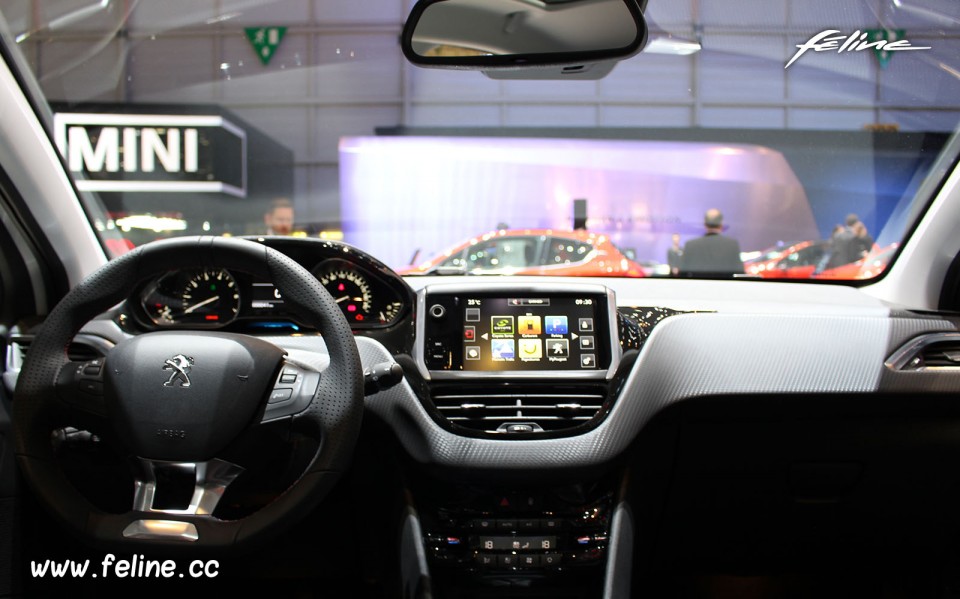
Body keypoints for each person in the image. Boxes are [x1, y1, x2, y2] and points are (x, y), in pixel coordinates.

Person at [679, 209, 744, 275]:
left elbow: (681, 275)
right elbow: (740, 274)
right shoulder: (732, 245)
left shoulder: (690, 245)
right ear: (721, 224)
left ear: (705, 224)